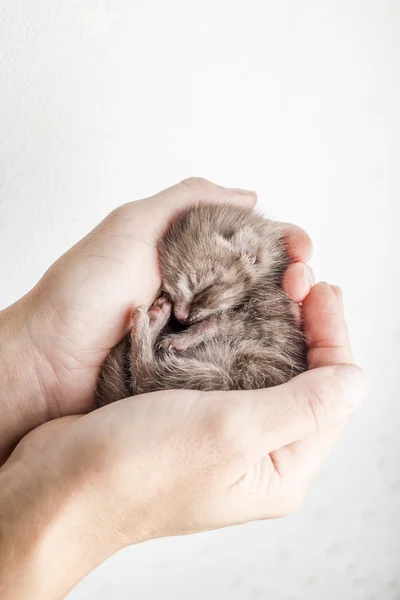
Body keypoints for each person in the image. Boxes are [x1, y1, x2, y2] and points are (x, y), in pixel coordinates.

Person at [0, 178, 367, 599]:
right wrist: (99, 500)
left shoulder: (256, 275)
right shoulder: (215, 275)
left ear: (248, 251)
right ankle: (143, 359)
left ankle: (143, 357)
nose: (184, 311)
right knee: (191, 373)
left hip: (240, 364)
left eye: (196, 289)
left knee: (216, 376)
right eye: (175, 295)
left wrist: (31, 364)